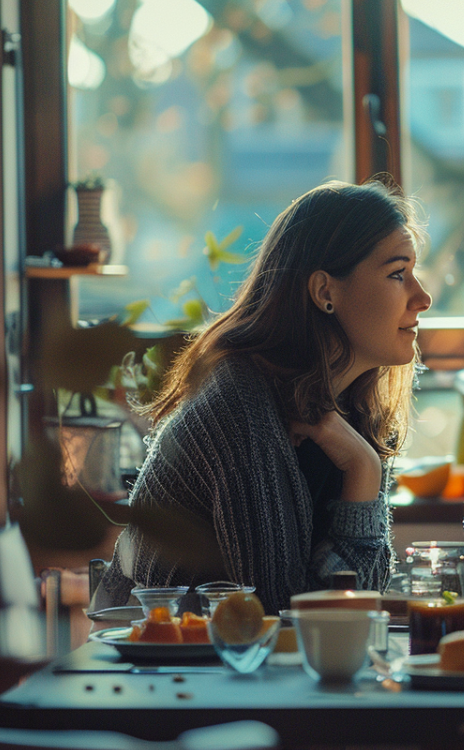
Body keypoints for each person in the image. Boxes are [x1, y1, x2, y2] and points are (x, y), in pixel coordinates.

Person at [95, 180, 432, 615]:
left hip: (232, 672)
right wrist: (364, 468)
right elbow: (278, 615)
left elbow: (354, 611)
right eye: (396, 274)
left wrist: (361, 464)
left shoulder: (348, 411)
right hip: (159, 672)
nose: (422, 297)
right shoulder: (240, 407)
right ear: (325, 292)